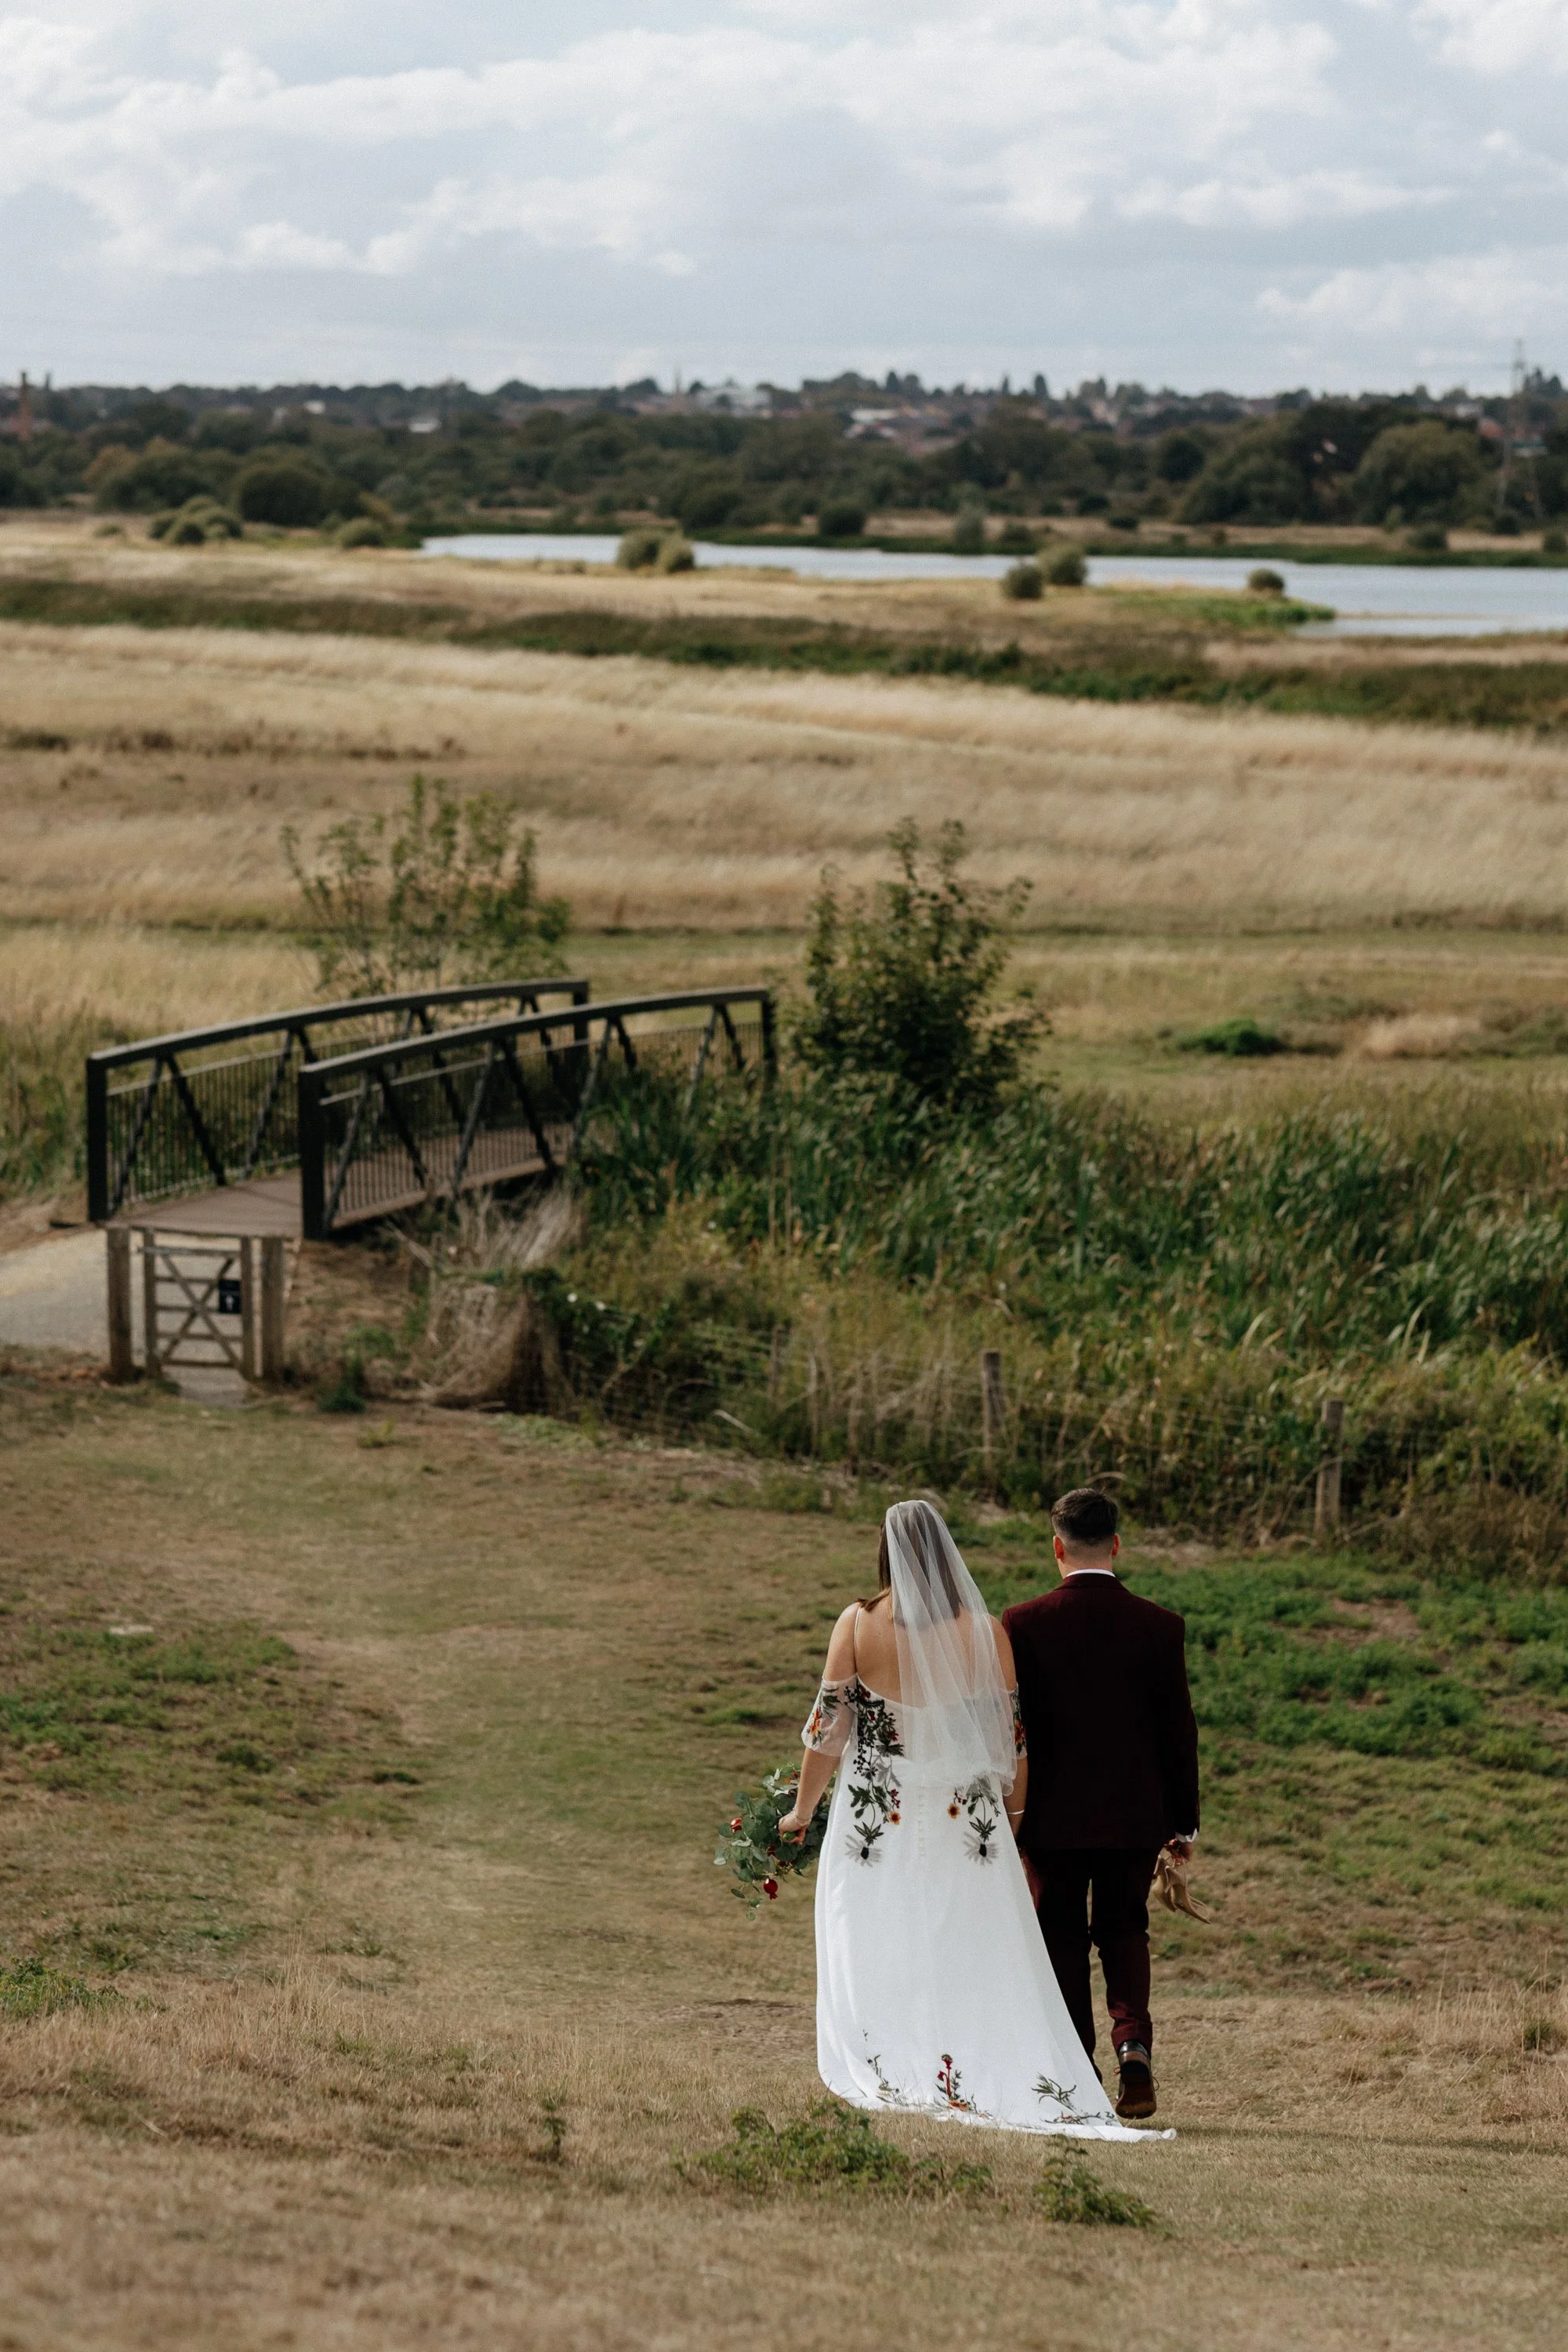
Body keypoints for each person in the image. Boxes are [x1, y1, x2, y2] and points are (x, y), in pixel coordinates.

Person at [778, 1499, 1167, 2140]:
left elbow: (827, 1732)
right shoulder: (985, 1632)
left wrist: (801, 1809)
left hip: (878, 1814)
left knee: (873, 1934)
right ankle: (966, 2066)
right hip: (966, 1817)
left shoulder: (857, 1623)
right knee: (967, 1942)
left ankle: (888, 2064)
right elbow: (1013, 1744)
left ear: (886, 1553)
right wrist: (1012, 1820)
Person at [1004, 1487, 1200, 2122]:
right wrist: (1182, 1823)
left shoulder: (1022, 1623)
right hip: (1134, 1816)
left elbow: (1012, 1729)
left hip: (1051, 1819)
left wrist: (1009, 1813)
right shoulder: (1161, 1625)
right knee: (1124, 1930)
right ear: (1116, 1544)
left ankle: (1078, 2071)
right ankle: (1134, 2046)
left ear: (1056, 1547)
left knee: (1060, 1936)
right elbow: (1180, 1731)